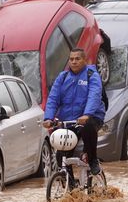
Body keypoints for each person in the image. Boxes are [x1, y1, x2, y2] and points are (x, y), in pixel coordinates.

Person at [43, 47, 105, 175]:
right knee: (61, 156)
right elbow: (53, 98)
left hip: (91, 117)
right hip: (69, 121)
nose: (74, 62)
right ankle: (70, 186)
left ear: (84, 60)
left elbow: (94, 95)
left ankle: (93, 160)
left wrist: (87, 114)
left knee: (87, 127)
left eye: (77, 59)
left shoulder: (91, 75)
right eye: (71, 59)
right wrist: (48, 118)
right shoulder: (63, 76)